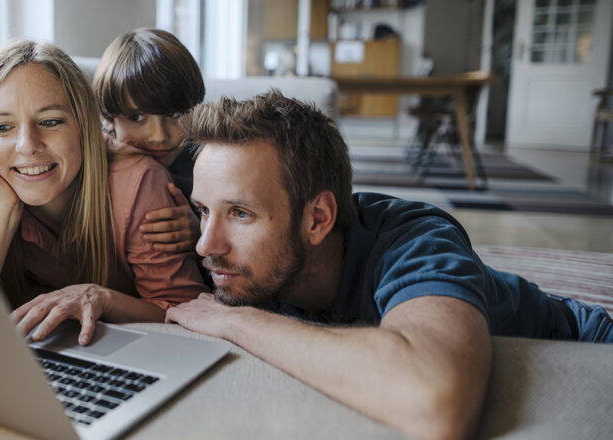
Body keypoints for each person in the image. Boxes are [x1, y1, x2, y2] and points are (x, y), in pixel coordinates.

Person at [165, 90, 613, 440]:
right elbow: (193, 309)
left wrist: (236, 322)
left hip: (582, 347)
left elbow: (434, 402)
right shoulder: (248, 259)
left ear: (318, 218)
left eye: (240, 214)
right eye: (203, 210)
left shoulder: (414, 237)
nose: (206, 245)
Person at [0, 40, 206, 345]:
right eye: (2, 128)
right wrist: (2, 212)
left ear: (86, 125)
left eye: (50, 122)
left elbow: (187, 313)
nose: (28, 145)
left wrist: (102, 298)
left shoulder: (142, 181)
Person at [93, 27, 204, 254]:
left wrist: (201, 232)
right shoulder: (94, 169)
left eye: (174, 115)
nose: (159, 135)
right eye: (137, 117)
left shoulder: (206, 164)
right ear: (108, 119)